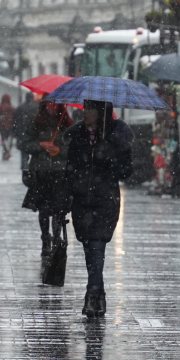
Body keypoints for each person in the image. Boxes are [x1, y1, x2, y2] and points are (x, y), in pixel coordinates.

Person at [64, 100, 134, 317]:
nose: (86, 113)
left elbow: (127, 170)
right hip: (82, 198)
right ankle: (98, 293)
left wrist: (108, 157)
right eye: (85, 108)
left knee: (97, 243)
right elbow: (69, 168)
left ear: (102, 112)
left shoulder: (117, 136)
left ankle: (92, 292)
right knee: (88, 245)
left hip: (105, 198)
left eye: (91, 109)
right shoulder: (77, 135)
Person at [18, 97, 73, 256]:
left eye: (55, 103)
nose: (52, 106)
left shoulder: (67, 124)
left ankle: (56, 238)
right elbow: (23, 144)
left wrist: (59, 150)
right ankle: (45, 239)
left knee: (58, 209)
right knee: (44, 209)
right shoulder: (36, 122)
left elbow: (73, 148)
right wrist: (40, 145)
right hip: (41, 172)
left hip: (60, 173)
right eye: (49, 102)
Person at [13, 92, 42, 168]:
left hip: (21, 130)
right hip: (33, 130)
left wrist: (15, 130)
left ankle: (24, 163)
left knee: (24, 148)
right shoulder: (36, 107)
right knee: (33, 147)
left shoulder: (20, 107)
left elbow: (15, 119)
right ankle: (31, 164)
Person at [0, 94, 15, 159]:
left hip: (2, 126)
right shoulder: (11, 107)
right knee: (8, 140)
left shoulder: (0, 107)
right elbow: (15, 117)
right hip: (10, 126)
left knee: (4, 140)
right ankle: (7, 152)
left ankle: (6, 152)